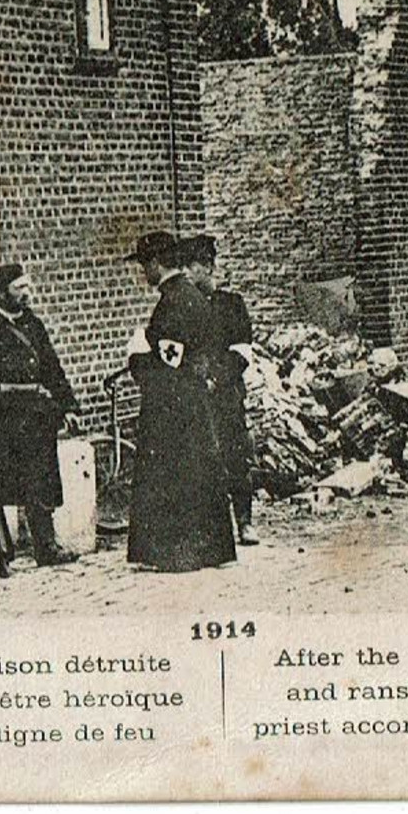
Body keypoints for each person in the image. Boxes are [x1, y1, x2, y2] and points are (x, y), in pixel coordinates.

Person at [0, 263, 82, 577]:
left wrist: (68, 406)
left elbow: (52, 369)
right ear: (0, 293)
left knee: (39, 481)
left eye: (27, 286)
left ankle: (46, 547)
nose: (27, 293)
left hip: (34, 416)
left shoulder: (34, 325)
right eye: (19, 288)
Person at [124, 231, 237, 572]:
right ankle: (211, 550)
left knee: (173, 475)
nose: (144, 273)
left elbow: (168, 361)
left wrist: (136, 358)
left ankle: (177, 553)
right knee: (201, 473)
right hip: (195, 399)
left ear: (157, 264)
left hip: (173, 404)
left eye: (145, 265)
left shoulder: (172, 302)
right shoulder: (194, 297)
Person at [179, 234, 260, 546]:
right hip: (195, 396)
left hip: (226, 395)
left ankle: (244, 521)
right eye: (182, 266)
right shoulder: (183, 307)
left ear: (209, 267)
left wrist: (216, 379)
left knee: (236, 457)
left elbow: (242, 353)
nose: (186, 272)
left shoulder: (231, 305)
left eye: (192, 265)